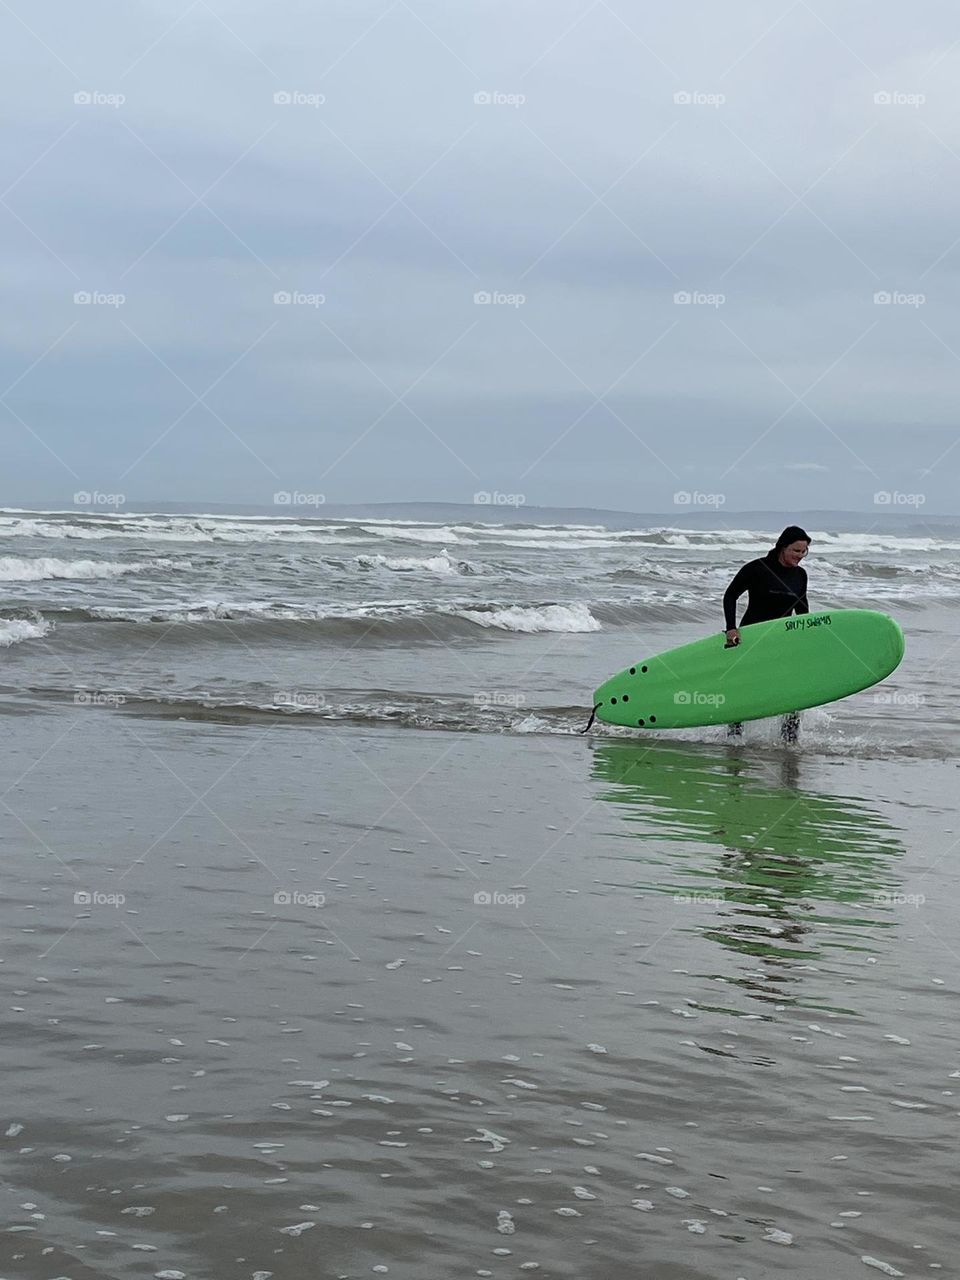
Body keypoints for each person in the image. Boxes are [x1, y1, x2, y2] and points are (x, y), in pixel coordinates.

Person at [722, 525, 811, 744]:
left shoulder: (800, 575)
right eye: (796, 551)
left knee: (792, 691)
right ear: (783, 546)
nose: (800, 556)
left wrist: (808, 638)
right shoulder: (757, 568)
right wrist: (731, 627)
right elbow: (730, 595)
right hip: (752, 637)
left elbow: (802, 609)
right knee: (743, 688)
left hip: (782, 641)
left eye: (803, 552)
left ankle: (789, 740)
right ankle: (734, 738)